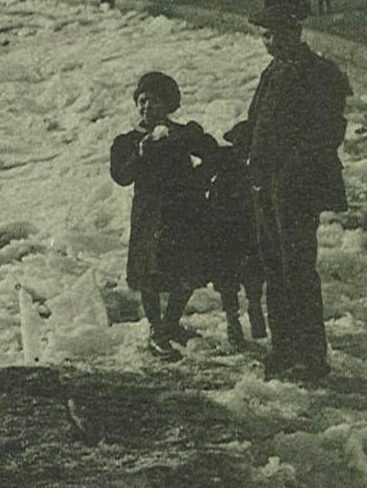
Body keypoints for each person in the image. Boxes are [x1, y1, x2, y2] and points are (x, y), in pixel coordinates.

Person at [245, 6, 351, 383]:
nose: (269, 41)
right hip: (267, 186)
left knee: (298, 270)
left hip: (298, 189)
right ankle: (283, 347)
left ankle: (311, 355)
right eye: (264, 35)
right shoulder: (272, 72)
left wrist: (289, 175)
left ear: (295, 31)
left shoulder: (319, 74)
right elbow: (257, 122)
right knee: (274, 267)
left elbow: (326, 132)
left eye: (275, 33)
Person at [110, 72, 217, 359]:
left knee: (184, 271)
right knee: (149, 273)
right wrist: (140, 154)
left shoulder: (182, 135)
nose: (147, 108)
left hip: (182, 212)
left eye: (155, 102)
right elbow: (120, 176)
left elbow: (213, 156)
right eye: (143, 101)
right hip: (149, 215)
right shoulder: (129, 140)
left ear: (168, 106)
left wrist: (198, 180)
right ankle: (156, 329)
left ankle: (171, 323)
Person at [204, 120, 268, 349]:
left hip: (248, 229)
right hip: (226, 229)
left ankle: (254, 307)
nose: (245, 150)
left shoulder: (262, 164)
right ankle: (233, 320)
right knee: (228, 280)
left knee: (253, 275)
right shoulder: (224, 160)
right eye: (241, 145)